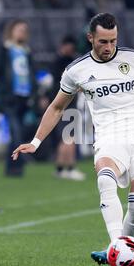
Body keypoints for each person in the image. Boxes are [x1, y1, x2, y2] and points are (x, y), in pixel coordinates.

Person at [12, 13, 134, 265]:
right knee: (105, 178)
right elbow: (56, 108)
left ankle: (122, 247)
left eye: (113, 40)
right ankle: (117, 248)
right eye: (103, 41)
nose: (109, 47)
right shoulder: (76, 70)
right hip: (110, 137)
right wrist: (35, 142)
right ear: (90, 38)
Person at [0, 19, 39, 177]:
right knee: (16, 132)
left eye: (24, 30)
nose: (22, 33)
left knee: (17, 133)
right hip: (10, 99)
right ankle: (17, 168)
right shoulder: (5, 50)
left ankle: (10, 167)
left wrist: (34, 94)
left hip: (24, 98)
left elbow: (32, 75)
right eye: (19, 30)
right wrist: (2, 96)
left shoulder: (27, 51)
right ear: (11, 31)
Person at [45, 35, 86, 181]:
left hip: (63, 104)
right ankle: (70, 168)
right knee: (69, 137)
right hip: (66, 103)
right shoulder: (65, 63)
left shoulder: (57, 62)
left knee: (65, 137)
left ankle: (60, 168)